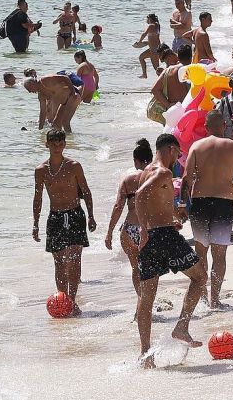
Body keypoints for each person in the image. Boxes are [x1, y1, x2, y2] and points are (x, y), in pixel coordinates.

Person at [135, 133, 206, 368]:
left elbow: (150, 199)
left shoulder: (146, 170)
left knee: (147, 297)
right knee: (200, 278)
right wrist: (145, 229)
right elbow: (140, 195)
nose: (178, 159)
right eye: (178, 153)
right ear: (170, 149)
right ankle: (182, 326)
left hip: (156, 234)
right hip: (162, 236)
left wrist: (174, 215)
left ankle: (146, 355)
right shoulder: (163, 172)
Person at [183, 111, 233, 307]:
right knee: (220, 254)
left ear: (206, 128)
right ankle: (215, 299)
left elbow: (187, 178)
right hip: (223, 202)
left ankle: (202, 296)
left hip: (199, 202)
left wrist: (182, 205)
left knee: (200, 253)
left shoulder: (196, 147)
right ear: (224, 125)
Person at [32, 130, 96, 317]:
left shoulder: (74, 166)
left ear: (64, 144)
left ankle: (72, 300)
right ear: (47, 144)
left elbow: (86, 190)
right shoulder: (41, 170)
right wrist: (35, 224)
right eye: (53, 143)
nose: (57, 146)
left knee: (75, 260)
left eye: (60, 143)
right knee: (59, 262)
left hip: (75, 214)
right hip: (55, 217)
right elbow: (38, 198)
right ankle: (63, 299)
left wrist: (91, 216)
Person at [106, 139, 153, 300]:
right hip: (149, 229)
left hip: (129, 229)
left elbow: (118, 206)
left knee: (135, 268)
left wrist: (109, 232)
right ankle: (147, 302)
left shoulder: (127, 179)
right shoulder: (156, 176)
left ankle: (141, 303)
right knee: (150, 268)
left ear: (135, 161)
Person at [147, 45, 192, 125]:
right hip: (188, 110)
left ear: (178, 55)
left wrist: (168, 105)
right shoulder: (191, 70)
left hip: (173, 110)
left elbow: (155, 90)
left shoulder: (167, 71)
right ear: (191, 56)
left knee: (171, 134)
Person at [134, 14, 162, 79]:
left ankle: (145, 74)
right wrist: (146, 43)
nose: (146, 20)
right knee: (157, 68)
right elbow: (155, 38)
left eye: (147, 19)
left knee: (141, 58)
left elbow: (144, 34)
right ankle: (163, 81)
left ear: (150, 19)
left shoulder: (151, 25)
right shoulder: (157, 25)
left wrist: (139, 41)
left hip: (153, 50)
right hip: (156, 49)